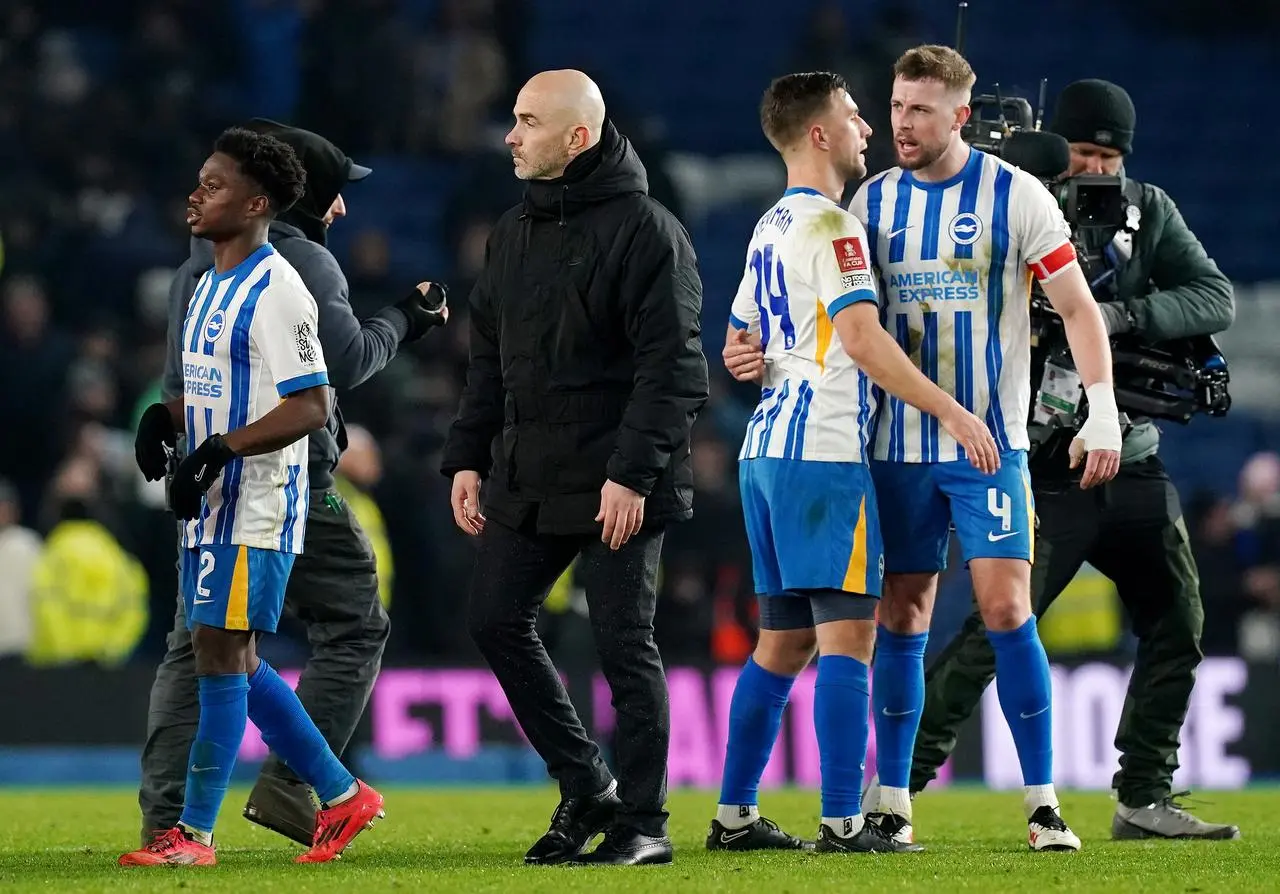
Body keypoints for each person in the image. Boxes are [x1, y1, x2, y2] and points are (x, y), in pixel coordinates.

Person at [884, 78, 1239, 841]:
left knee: (1180, 621)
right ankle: (895, 793)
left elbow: (1214, 298)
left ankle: (1143, 796)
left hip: (1132, 455)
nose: (1098, 170)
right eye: (1083, 151)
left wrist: (1123, 314)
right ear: (1053, 142)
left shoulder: (1149, 211)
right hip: (1046, 467)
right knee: (993, 634)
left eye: (1110, 156)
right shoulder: (1016, 200)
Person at [706, 71, 998, 856]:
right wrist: (953, 410)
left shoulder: (769, 225)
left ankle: (734, 815)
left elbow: (737, 338)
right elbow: (863, 340)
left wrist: (746, 355)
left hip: (764, 452)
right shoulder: (835, 226)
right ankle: (843, 820)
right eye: (854, 114)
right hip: (824, 453)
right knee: (850, 640)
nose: (869, 125)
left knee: (782, 642)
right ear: (820, 135)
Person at [133, 119, 447, 849]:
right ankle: (319, 787)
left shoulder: (271, 280)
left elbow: (309, 398)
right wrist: (167, 418)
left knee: (212, 649)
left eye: (213, 183)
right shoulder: (229, 273)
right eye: (333, 193)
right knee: (239, 647)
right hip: (243, 485)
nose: (339, 208)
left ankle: (186, 828)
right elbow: (322, 372)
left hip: (259, 487)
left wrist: (212, 447)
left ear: (255, 201)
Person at [440, 69, 708, 867]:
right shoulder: (513, 231)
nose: (511, 136)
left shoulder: (650, 232)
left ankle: (645, 823)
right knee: (493, 619)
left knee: (626, 649)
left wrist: (631, 474)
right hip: (530, 472)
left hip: (619, 481)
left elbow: (676, 373)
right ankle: (587, 785)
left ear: (577, 138)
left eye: (526, 122)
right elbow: (489, 361)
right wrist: (466, 456)